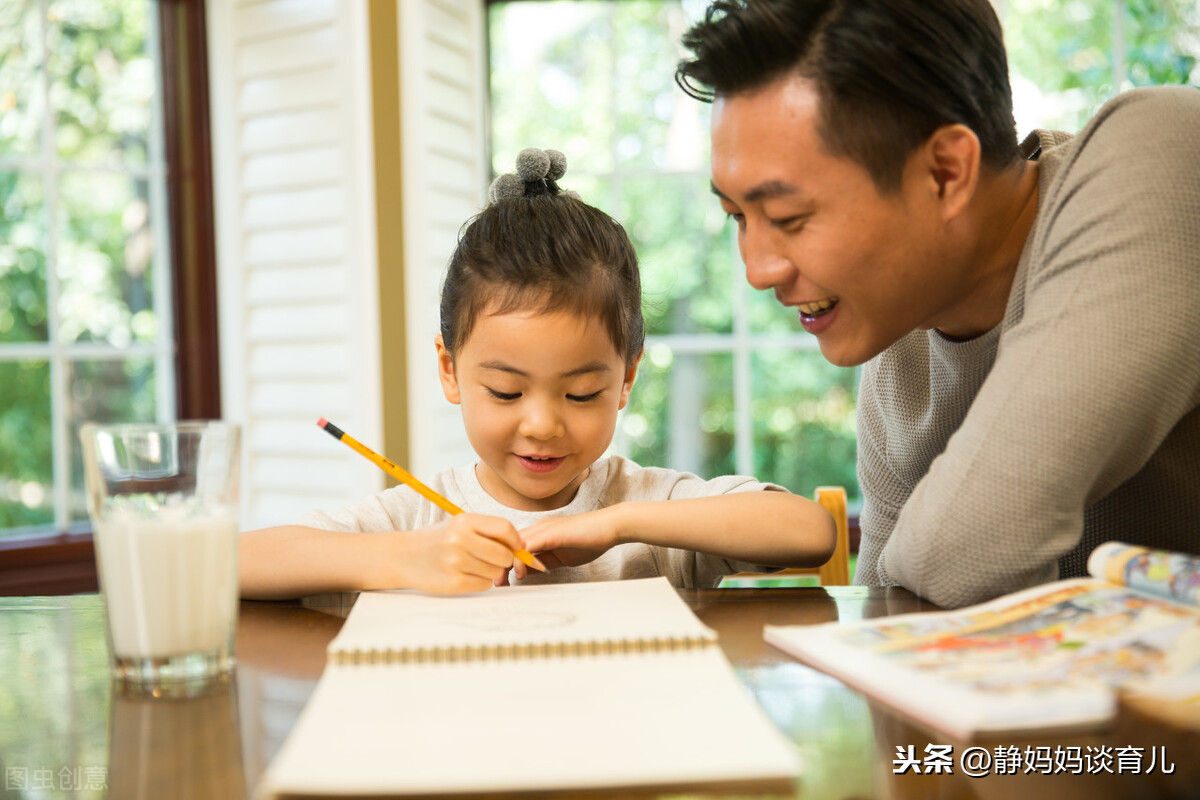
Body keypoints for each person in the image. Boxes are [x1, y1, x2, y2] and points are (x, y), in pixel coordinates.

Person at [676, 0, 1200, 608]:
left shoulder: (1164, 152)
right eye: (737, 216)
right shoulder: (901, 355)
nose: (757, 270)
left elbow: (959, 556)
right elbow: (893, 615)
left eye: (789, 217)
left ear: (947, 173)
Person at [239, 148, 836, 600]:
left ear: (626, 379)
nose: (543, 424)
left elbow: (809, 533)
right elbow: (232, 564)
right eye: (505, 390)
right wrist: (403, 559)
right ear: (450, 369)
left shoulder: (649, 509)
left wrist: (616, 525)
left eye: (581, 392)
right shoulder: (417, 522)